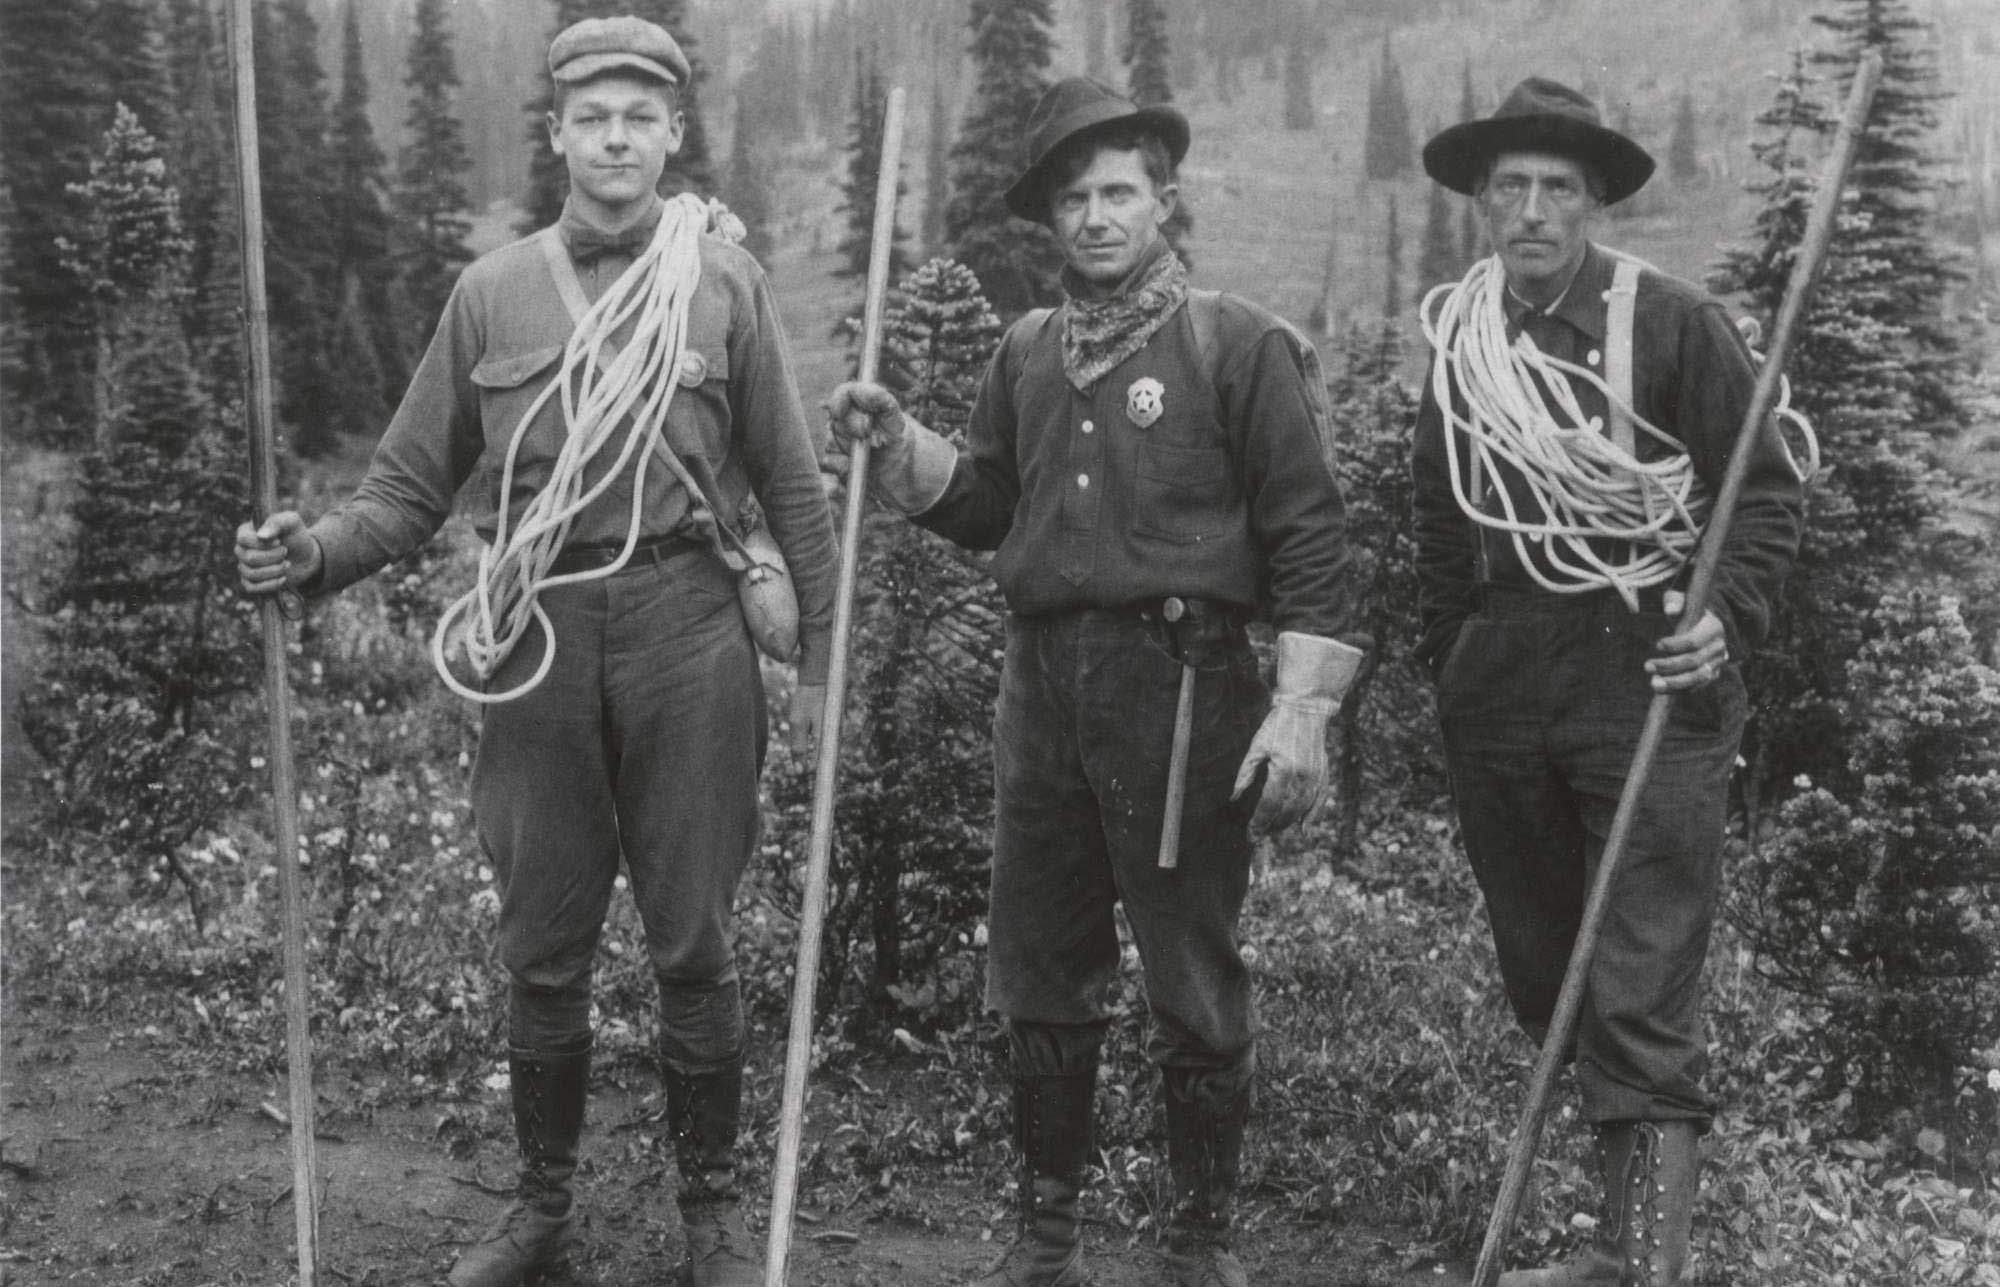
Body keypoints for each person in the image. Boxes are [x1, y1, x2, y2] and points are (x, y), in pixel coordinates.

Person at [235, 17, 838, 1287]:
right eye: (591, 117)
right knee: (541, 942)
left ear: (672, 133)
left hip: (688, 632)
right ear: (557, 131)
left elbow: (792, 482)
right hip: (535, 639)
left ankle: (712, 1221)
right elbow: (407, 488)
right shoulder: (489, 293)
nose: (615, 138)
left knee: (694, 940)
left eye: (639, 117)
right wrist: (316, 555)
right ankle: (541, 1213)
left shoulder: (724, 284)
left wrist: (827, 665)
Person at [826, 77, 1367, 1287]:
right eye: (1070, 199)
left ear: (1162, 200)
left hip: (1181, 696)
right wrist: (896, 443)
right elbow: (984, 504)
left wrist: (1300, 712)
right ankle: (1047, 1239)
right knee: (1038, 959)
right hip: (1040, 695)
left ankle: (1195, 1243)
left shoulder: (1236, 346)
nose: (1094, 217)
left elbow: (1311, 541)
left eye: (1117, 191)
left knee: (1188, 962)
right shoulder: (1025, 350)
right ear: (1047, 221)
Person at [1412, 79, 1805, 1285]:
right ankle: (1601, 1243)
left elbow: (1767, 496)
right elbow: (1436, 527)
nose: (1531, 211)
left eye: (1558, 190)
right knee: (1544, 969)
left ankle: (1647, 1266)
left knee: (1632, 975)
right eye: (1512, 188)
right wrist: (1457, 664)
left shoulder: (1670, 325)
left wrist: (1719, 621)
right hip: (1502, 683)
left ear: (1589, 204)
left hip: (1644, 666)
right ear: (1482, 202)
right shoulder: (1459, 343)